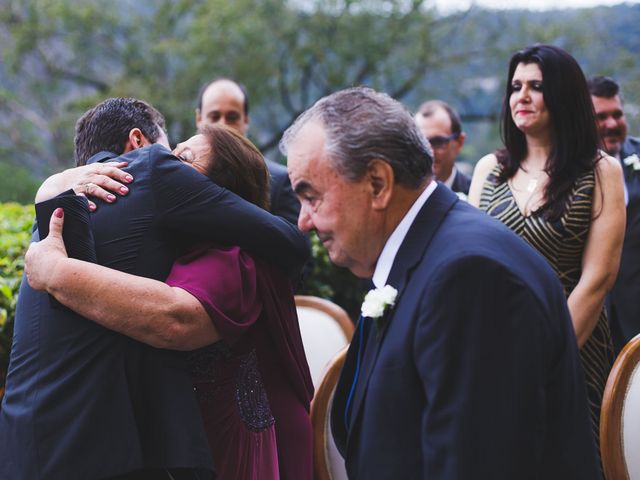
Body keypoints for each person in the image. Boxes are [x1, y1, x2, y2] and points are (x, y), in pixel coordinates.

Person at [280, 86, 600, 479]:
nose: (303, 221)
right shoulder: (423, 254)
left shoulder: (471, 277)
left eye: (311, 196)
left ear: (378, 183)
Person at [0, 98, 309, 480]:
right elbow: (292, 243)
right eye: (172, 151)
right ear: (139, 142)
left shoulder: (61, 207)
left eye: (186, 159)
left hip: (22, 441)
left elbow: (174, 317)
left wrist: (51, 190)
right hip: (100, 446)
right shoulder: (151, 168)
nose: (177, 165)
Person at [468, 45, 625, 453]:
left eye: (536, 86)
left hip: (571, 346)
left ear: (563, 94)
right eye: (515, 86)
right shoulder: (489, 170)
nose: (521, 96)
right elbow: (465, 266)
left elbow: (598, 279)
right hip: (492, 345)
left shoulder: (600, 170)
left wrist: (541, 360)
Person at [196, 78, 300, 225]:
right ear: (199, 119)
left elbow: (296, 245)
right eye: (214, 117)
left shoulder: (279, 182)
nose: (223, 125)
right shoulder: (182, 177)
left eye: (232, 117)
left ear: (246, 120)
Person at [589, 75, 640, 353]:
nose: (611, 124)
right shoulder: (568, 173)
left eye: (617, 114)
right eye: (601, 116)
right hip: (595, 325)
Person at [414, 100, 471, 195]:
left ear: (459, 142)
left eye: (438, 142)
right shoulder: (400, 196)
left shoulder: (475, 195)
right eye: (420, 142)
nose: (428, 151)